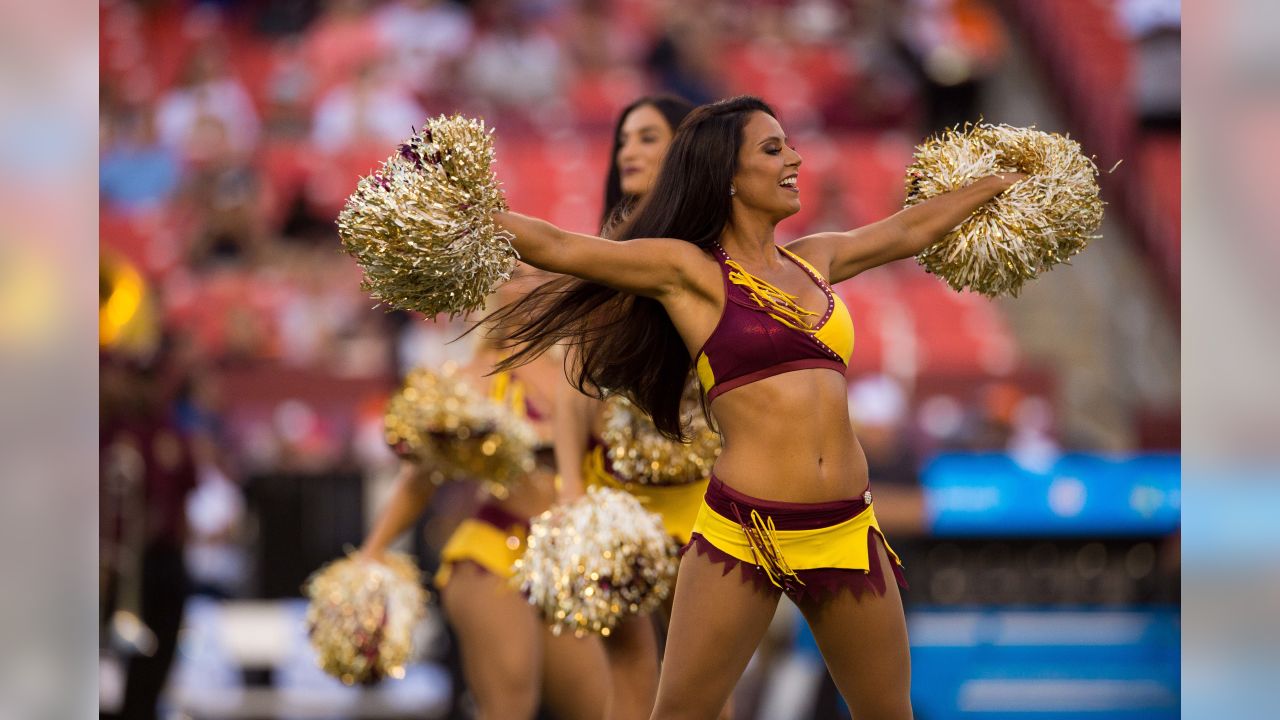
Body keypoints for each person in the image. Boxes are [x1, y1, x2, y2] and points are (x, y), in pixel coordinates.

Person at [487, 95, 1026, 719]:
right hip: (742, 534)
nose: (794, 157)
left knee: (889, 712)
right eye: (773, 149)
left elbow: (907, 229)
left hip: (848, 530)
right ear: (728, 176)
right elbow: (560, 246)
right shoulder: (689, 271)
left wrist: (997, 184)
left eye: (789, 145)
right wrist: (470, 212)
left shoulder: (817, 259)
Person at [359, 294, 608, 720]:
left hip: (567, 564)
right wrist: (372, 553)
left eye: (540, 273)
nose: (530, 286)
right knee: (509, 707)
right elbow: (419, 477)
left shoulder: (581, 372)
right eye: (514, 276)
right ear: (489, 293)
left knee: (603, 708)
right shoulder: (472, 379)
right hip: (492, 553)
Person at [554, 95, 711, 720]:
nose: (628, 152)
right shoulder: (606, 255)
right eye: (622, 141)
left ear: (684, 152)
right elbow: (573, 391)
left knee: (703, 683)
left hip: (704, 495)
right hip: (616, 496)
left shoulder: (711, 257)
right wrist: (570, 495)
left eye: (647, 137)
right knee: (630, 675)